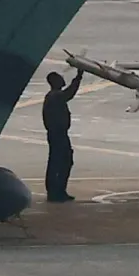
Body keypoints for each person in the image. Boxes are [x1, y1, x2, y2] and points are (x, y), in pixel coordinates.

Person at [42, 68, 84, 202]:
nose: (62, 79)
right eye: (59, 78)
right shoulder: (55, 96)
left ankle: (57, 190)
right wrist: (78, 77)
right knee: (61, 162)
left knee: (58, 161)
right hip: (58, 134)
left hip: (57, 133)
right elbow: (70, 93)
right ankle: (57, 191)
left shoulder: (52, 96)